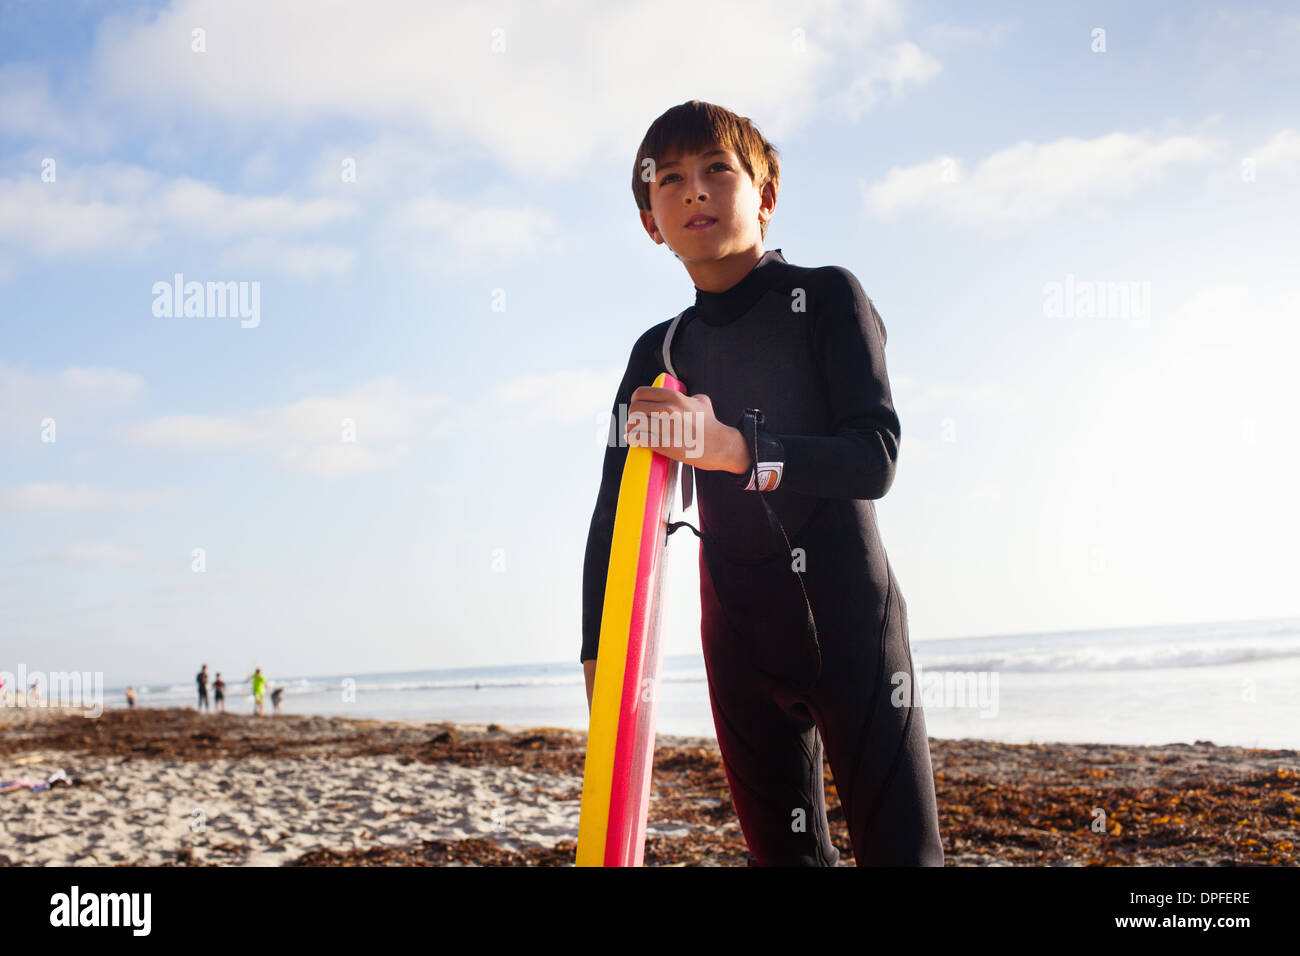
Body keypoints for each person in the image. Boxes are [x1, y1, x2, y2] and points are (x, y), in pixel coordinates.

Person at [580, 100, 943, 866]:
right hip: (740, 646)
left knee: (904, 858)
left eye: (717, 169)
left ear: (766, 195)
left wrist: (735, 449)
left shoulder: (828, 299)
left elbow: (874, 456)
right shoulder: (660, 349)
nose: (693, 191)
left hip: (854, 630)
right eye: (668, 179)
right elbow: (615, 513)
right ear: (651, 220)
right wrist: (597, 651)